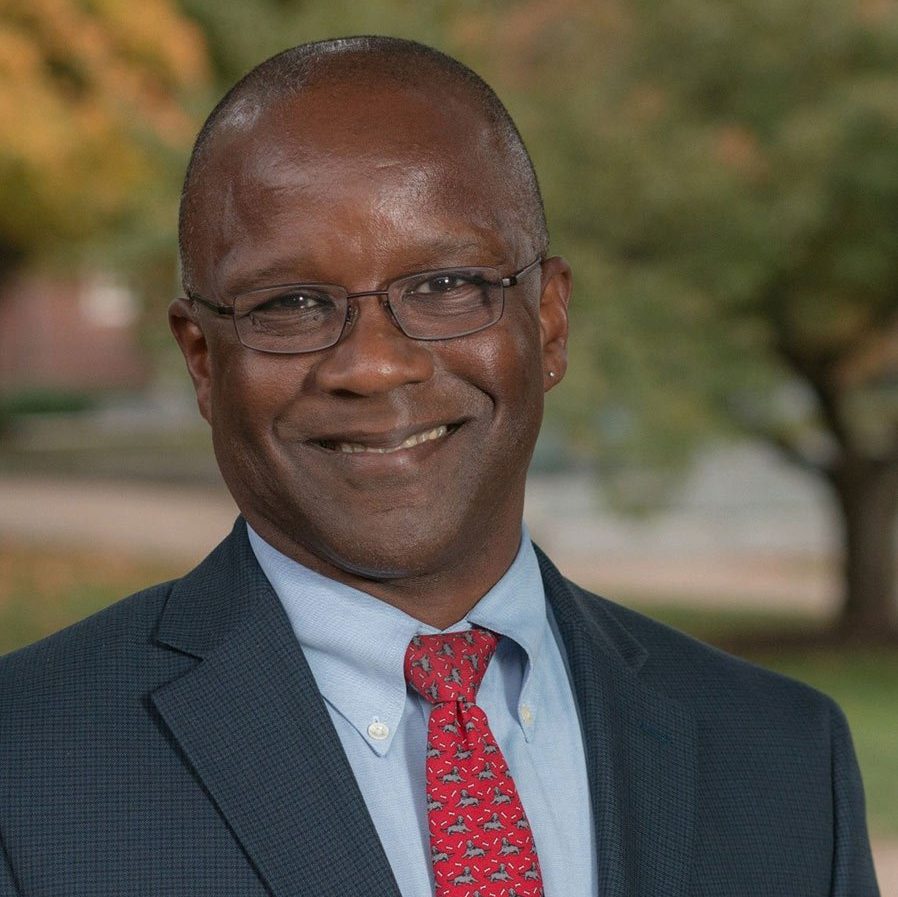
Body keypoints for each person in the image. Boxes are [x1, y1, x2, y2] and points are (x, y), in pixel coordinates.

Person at [0, 35, 880, 897]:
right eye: (291, 303)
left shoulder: (787, 760)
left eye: (445, 285)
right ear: (201, 358)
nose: (374, 366)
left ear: (549, 323)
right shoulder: (24, 767)